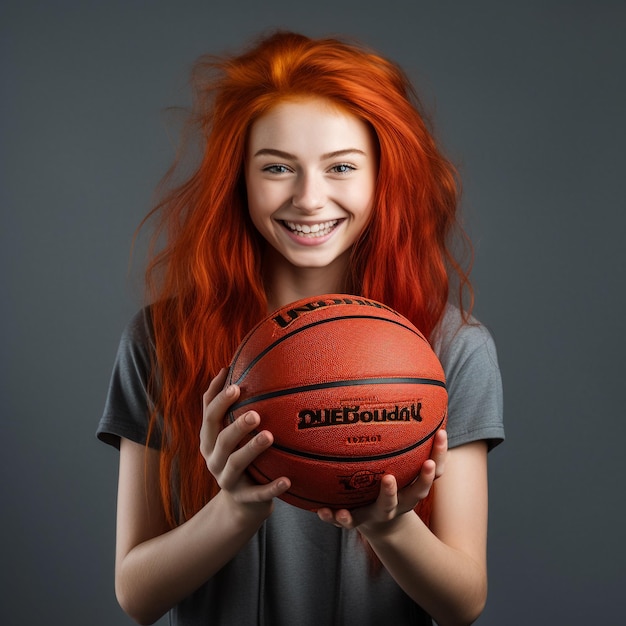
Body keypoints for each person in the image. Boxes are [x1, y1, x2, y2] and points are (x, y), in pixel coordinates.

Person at [97, 30, 504, 626]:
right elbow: (136, 594)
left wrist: (389, 526)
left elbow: (463, 601)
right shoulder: (163, 339)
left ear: (382, 178)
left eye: (341, 167)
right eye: (277, 168)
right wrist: (232, 511)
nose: (310, 198)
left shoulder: (453, 348)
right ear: (237, 178)